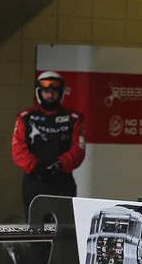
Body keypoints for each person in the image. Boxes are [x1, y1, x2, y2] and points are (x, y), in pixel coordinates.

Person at [11, 70, 86, 212]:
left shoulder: (74, 118)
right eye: (46, 91)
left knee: (64, 227)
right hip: (34, 181)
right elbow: (18, 149)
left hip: (62, 180)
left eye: (54, 91)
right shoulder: (25, 117)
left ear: (61, 93)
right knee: (34, 228)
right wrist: (36, 167)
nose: (50, 95)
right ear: (39, 93)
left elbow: (79, 149)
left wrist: (61, 164)